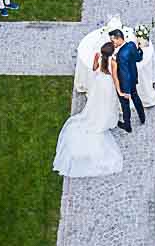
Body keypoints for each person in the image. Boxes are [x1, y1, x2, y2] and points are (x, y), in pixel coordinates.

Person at [52, 42, 123, 177]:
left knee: (97, 103)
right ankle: (106, 120)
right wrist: (120, 92)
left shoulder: (98, 57)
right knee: (107, 104)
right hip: (107, 85)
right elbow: (115, 78)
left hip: (99, 84)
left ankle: (98, 117)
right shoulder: (113, 62)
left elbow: (94, 68)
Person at [110, 30, 145, 132]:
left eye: (113, 41)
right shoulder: (131, 45)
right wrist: (140, 50)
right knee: (136, 98)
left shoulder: (121, 55)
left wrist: (126, 91)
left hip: (124, 84)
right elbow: (138, 58)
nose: (113, 43)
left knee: (125, 105)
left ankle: (127, 126)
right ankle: (142, 118)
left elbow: (125, 74)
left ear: (119, 38)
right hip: (133, 79)